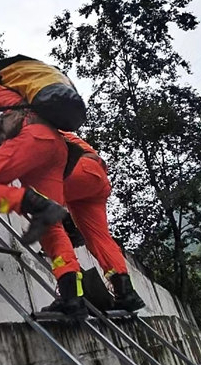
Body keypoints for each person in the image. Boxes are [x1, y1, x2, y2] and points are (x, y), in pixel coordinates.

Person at [0, 108, 87, 319]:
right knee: (53, 228)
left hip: (34, 141)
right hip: (56, 150)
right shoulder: (21, 103)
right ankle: (73, 297)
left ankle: (39, 205)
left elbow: (9, 151)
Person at [62, 132, 146, 311]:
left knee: (32, 186)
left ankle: (67, 227)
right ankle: (126, 293)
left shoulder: (28, 120)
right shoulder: (54, 122)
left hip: (77, 169)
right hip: (95, 175)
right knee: (98, 239)